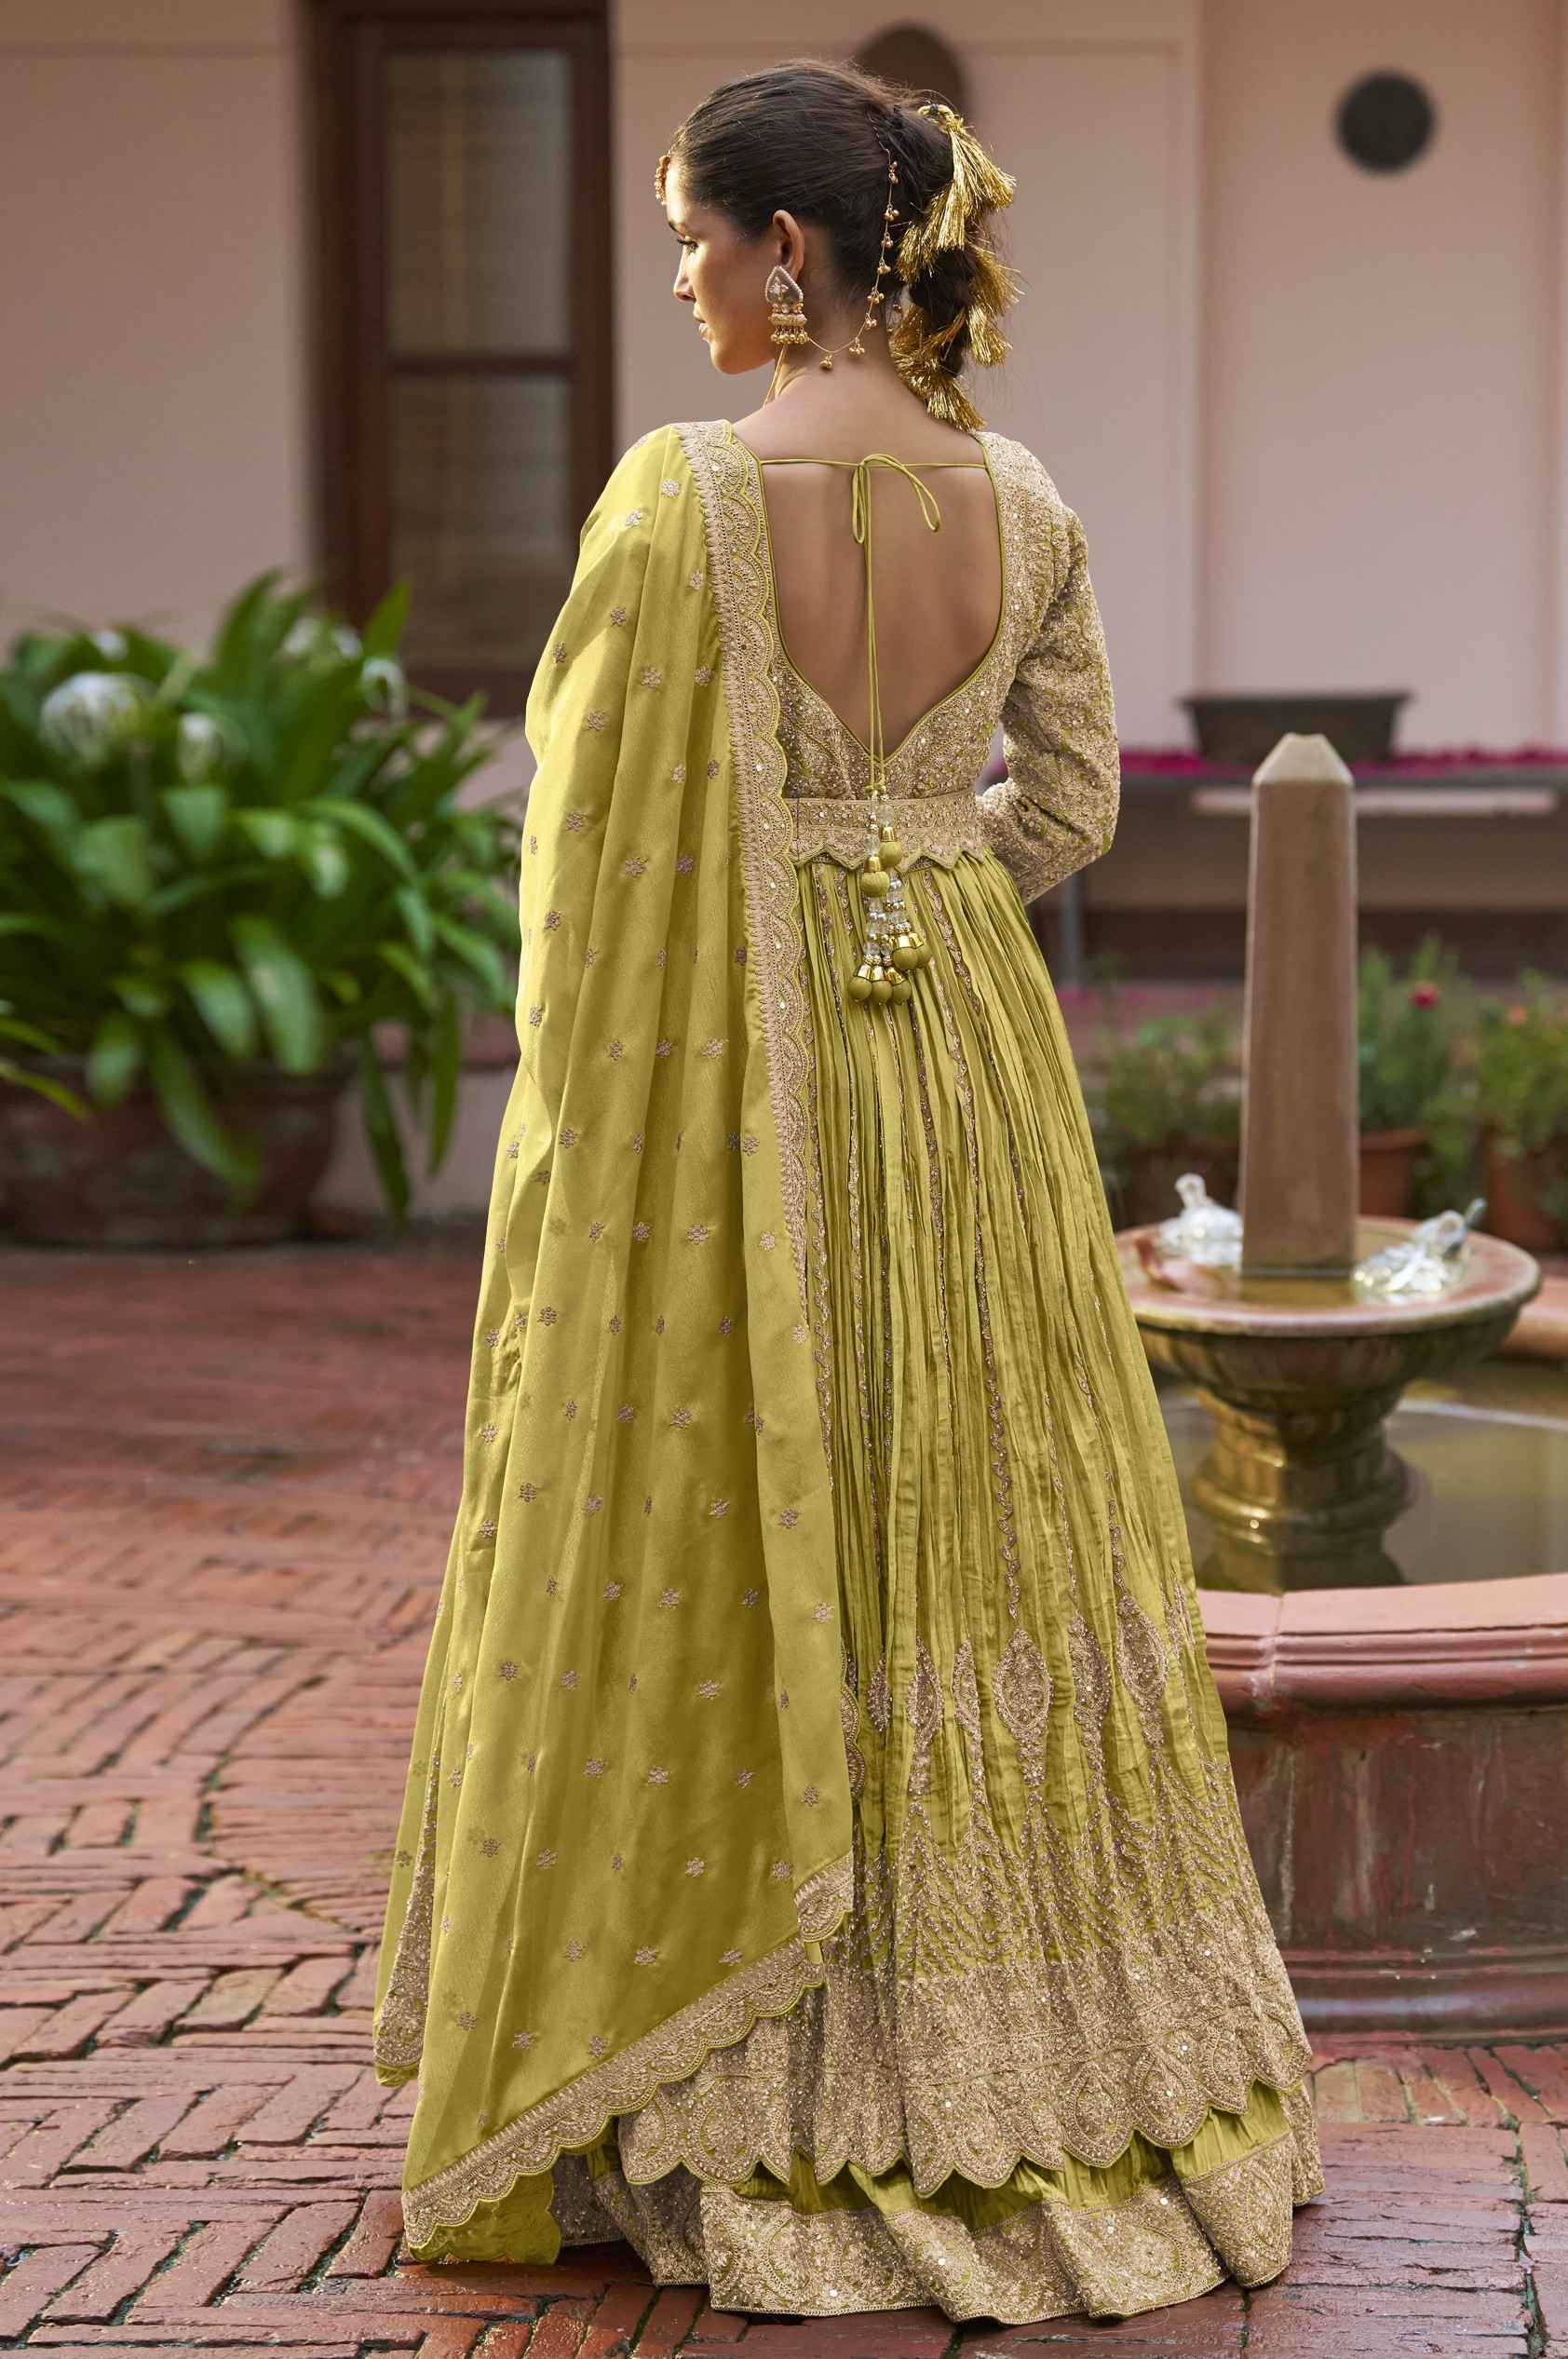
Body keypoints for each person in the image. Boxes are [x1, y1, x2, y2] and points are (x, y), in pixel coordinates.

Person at [372, 57, 1324, 2328]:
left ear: (788, 251)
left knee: (758, 1482)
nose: (684, 280)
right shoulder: (1025, 495)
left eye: (695, 239)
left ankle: (754, 2067)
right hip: (966, 1058)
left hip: (754, 1078)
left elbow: (588, 865)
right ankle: (1046, 2065)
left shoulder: (680, 500)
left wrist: (774, 906)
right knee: (983, 1494)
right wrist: (914, 862)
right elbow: (1069, 805)